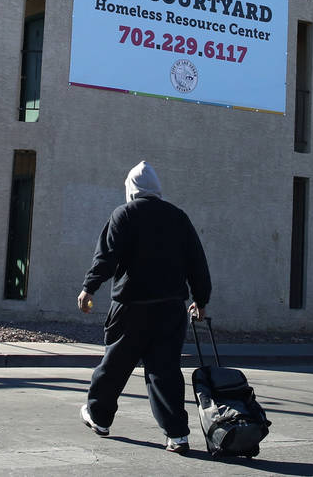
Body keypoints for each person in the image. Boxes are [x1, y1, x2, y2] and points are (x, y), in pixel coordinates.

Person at [77, 160, 211, 455]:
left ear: (131, 189)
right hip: (171, 308)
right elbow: (197, 263)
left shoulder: (123, 215)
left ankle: (99, 417)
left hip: (131, 307)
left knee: (114, 365)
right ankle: (177, 435)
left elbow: (106, 258)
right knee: (165, 371)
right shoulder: (179, 217)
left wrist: (89, 288)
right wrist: (201, 300)